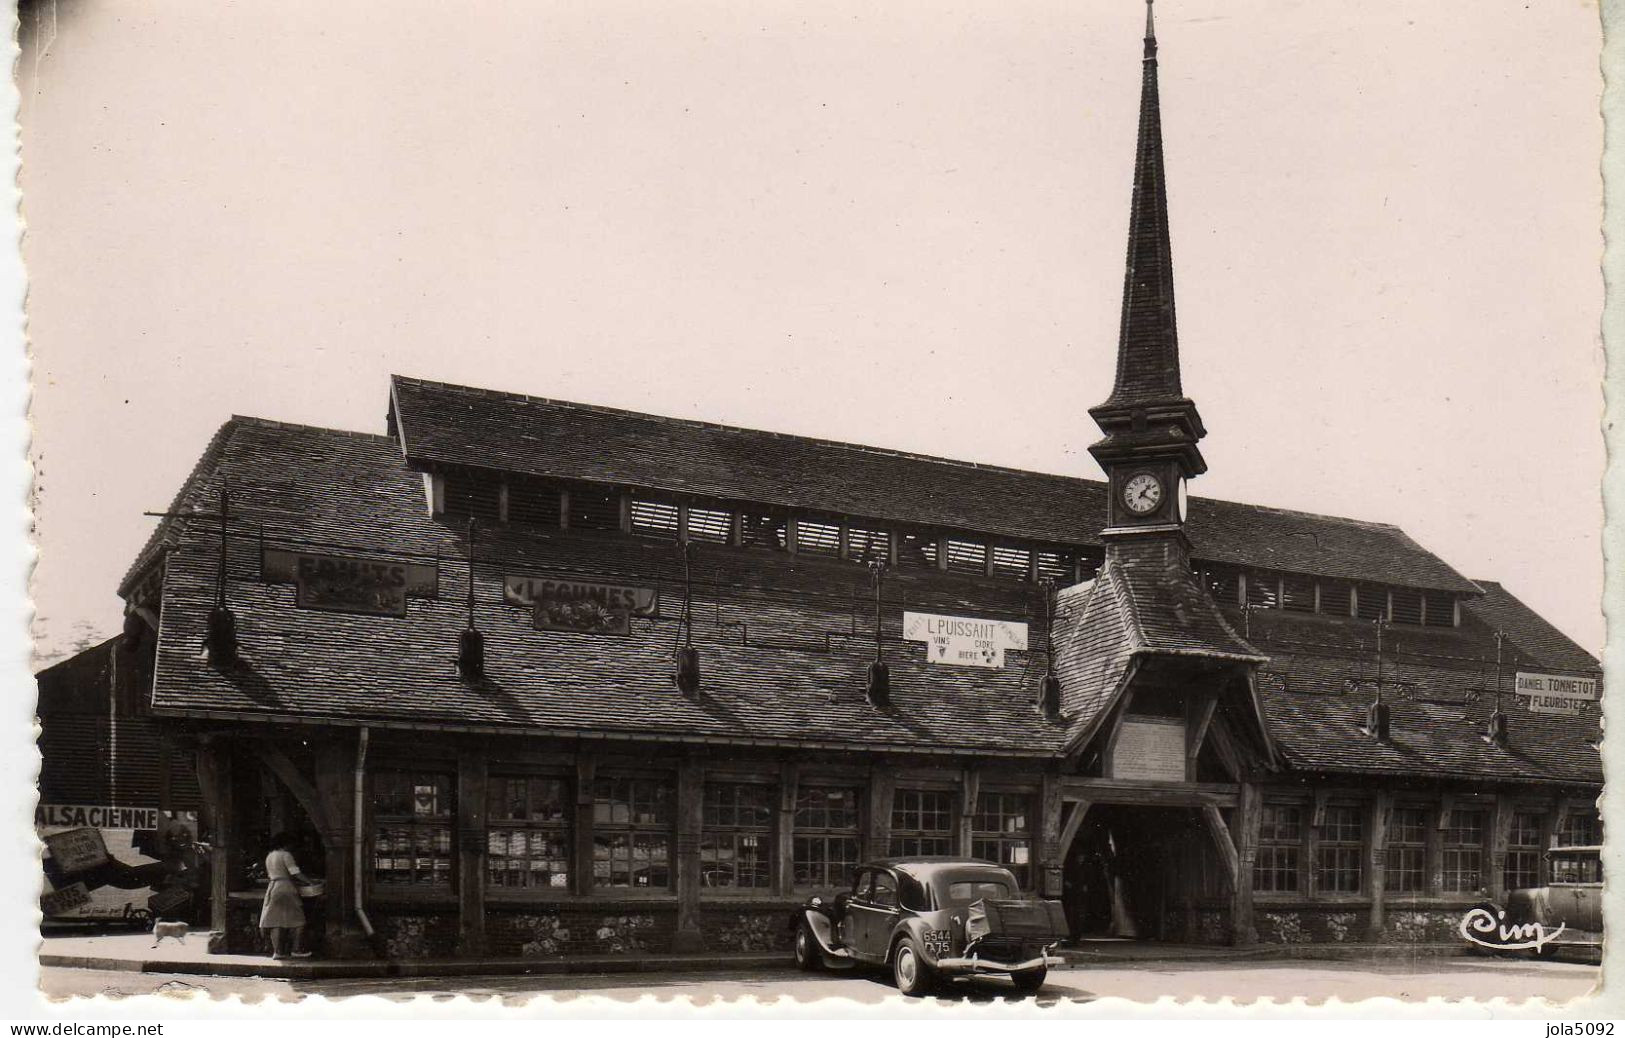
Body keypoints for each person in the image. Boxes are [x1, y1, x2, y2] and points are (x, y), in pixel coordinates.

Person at [260, 832, 317, 959]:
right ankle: (296, 949)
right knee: (298, 920)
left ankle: (277, 952)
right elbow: (295, 873)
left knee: (275, 920)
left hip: (273, 887)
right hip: (286, 887)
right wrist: (310, 882)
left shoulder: (269, 856)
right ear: (286, 844)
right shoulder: (286, 855)